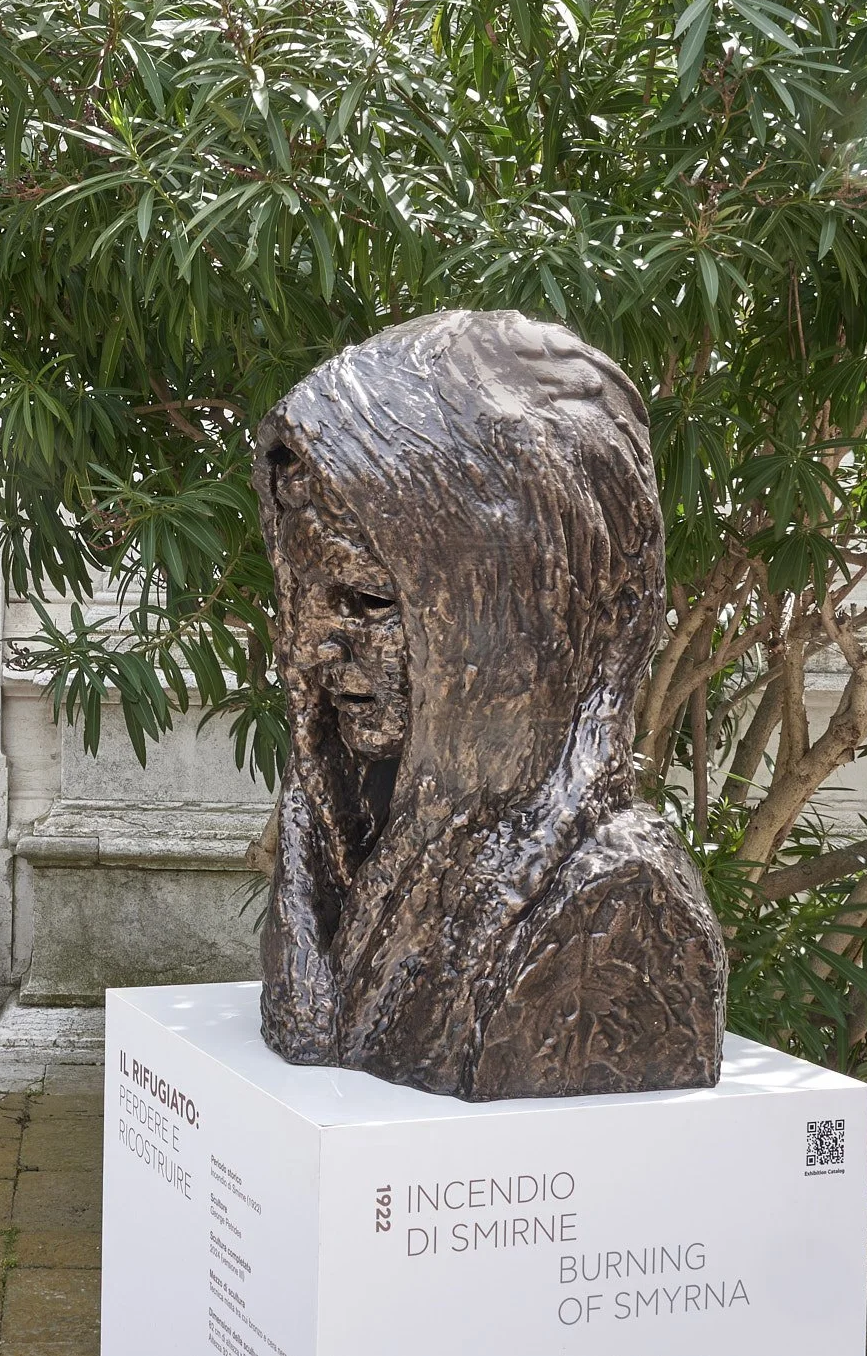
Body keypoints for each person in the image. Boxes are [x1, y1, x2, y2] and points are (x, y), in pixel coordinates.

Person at [256, 309, 725, 1099]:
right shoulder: (362, 839)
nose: (309, 649)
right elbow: (310, 1040)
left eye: (370, 599)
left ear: (523, 609)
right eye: (306, 599)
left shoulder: (616, 909)